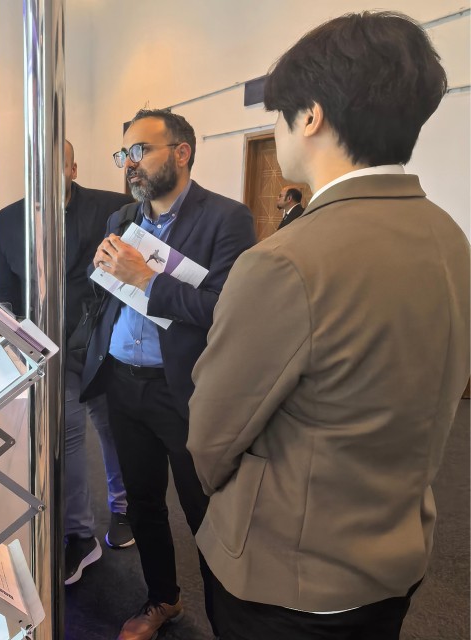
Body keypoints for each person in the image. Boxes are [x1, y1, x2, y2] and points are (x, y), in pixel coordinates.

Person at [187, 12, 469, 640]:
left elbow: (211, 434)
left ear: (310, 115)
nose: (276, 128)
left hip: (292, 576)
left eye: (277, 114)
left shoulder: (286, 261)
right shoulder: (449, 235)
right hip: (399, 549)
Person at [81, 108, 255, 640]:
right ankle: (163, 599)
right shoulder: (121, 219)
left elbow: (228, 308)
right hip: (123, 382)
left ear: (181, 152)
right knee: (143, 503)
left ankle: (228, 622)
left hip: (185, 390)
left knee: (205, 511)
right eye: (124, 154)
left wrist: (148, 280)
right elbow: (109, 295)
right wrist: (102, 269)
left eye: (140, 151)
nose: (129, 164)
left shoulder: (226, 218)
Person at [0, 140, 135, 585]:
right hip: (48, 351)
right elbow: (4, 291)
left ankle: (123, 508)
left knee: (112, 431)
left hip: (101, 345)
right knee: (68, 436)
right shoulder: (8, 220)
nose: (46, 174)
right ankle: (79, 536)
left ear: (73, 168)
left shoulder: (114, 210)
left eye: (58, 165)